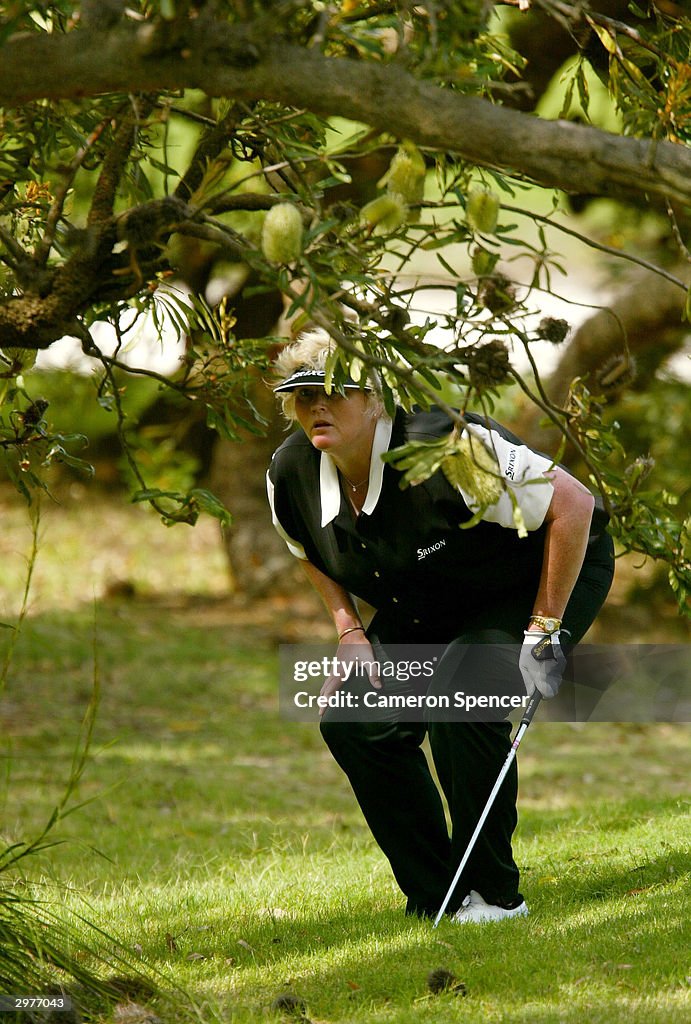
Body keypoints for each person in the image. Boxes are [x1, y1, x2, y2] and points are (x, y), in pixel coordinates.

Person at [266, 330, 614, 923]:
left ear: (375, 397)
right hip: (433, 596)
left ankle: (496, 896)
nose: (316, 406)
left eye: (333, 391)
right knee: (354, 721)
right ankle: (440, 898)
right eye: (302, 397)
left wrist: (545, 629)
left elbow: (573, 505)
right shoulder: (291, 472)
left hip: (534, 581)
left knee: (465, 696)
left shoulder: (445, 445)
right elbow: (306, 548)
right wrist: (349, 631)